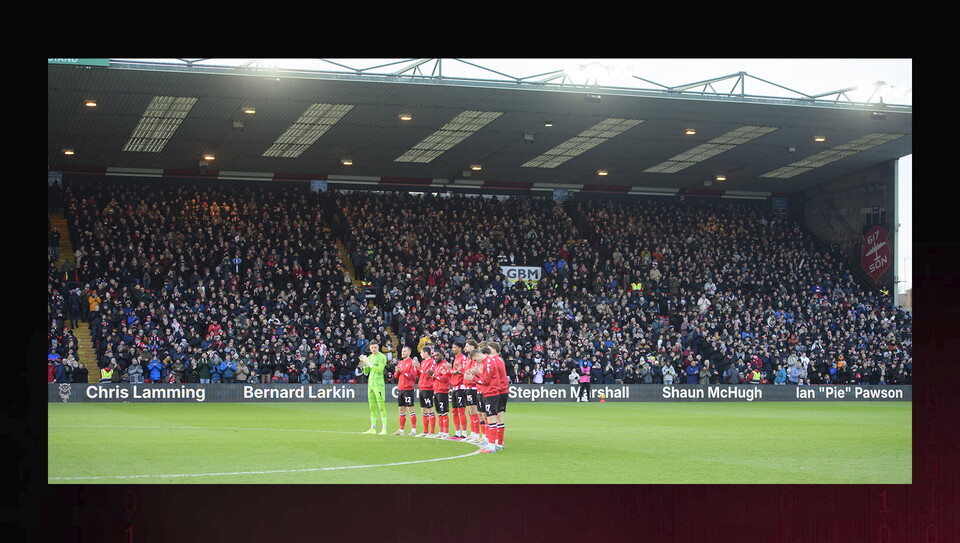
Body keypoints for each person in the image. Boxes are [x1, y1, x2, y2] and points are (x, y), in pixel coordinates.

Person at [360, 342, 389, 435]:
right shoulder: (370, 357)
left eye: (375, 347)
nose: (373, 349)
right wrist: (364, 364)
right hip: (371, 384)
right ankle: (373, 428)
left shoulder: (382, 357)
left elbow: (380, 369)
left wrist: (369, 363)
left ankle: (384, 428)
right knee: (372, 407)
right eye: (372, 348)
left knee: (381, 406)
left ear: (378, 347)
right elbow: (366, 371)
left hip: (379, 384)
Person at [392, 346, 419, 436]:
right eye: (402, 351)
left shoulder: (412, 362)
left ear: (409, 353)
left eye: (404, 351)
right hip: (400, 389)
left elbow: (413, 376)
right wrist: (397, 372)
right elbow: (396, 376)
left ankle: (413, 430)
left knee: (410, 409)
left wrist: (402, 371)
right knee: (401, 410)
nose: (402, 353)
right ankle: (401, 430)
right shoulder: (400, 362)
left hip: (408, 389)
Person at [430, 348, 453, 439]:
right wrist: (433, 376)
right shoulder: (436, 365)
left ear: (442, 355)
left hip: (443, 391)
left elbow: (444, 379)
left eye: (437, 355)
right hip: (436, 390)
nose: (436, 357)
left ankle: (446, 433)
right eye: (434, 356)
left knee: (444, 412)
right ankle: (441, 431)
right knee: (439, 412)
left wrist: (434, 376)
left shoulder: (445, 365)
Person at [416, 345, 437, 437]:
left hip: (428, 387)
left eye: (421, 352)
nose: (420, 354)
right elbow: (420, 374)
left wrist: (419, 368)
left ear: (426, 353)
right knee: (423, 409)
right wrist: (417, 368)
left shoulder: (432, 362)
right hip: (421, 387)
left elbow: (429, 374)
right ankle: (425, 431)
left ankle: (431, 432)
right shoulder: (423, 362)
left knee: (429, 409)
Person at [448, 341, 468, 439]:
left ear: (460, 348)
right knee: (454, 411)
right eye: (452, 347)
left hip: (461, 387)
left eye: (454, 347)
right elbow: (454, 372)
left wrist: (458, 371)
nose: (453, 349)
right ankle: (457, 433)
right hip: (455, 387)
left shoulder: (463, 358)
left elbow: (465, 372)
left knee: (461, 410)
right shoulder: (456, 359)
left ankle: (464, 433)